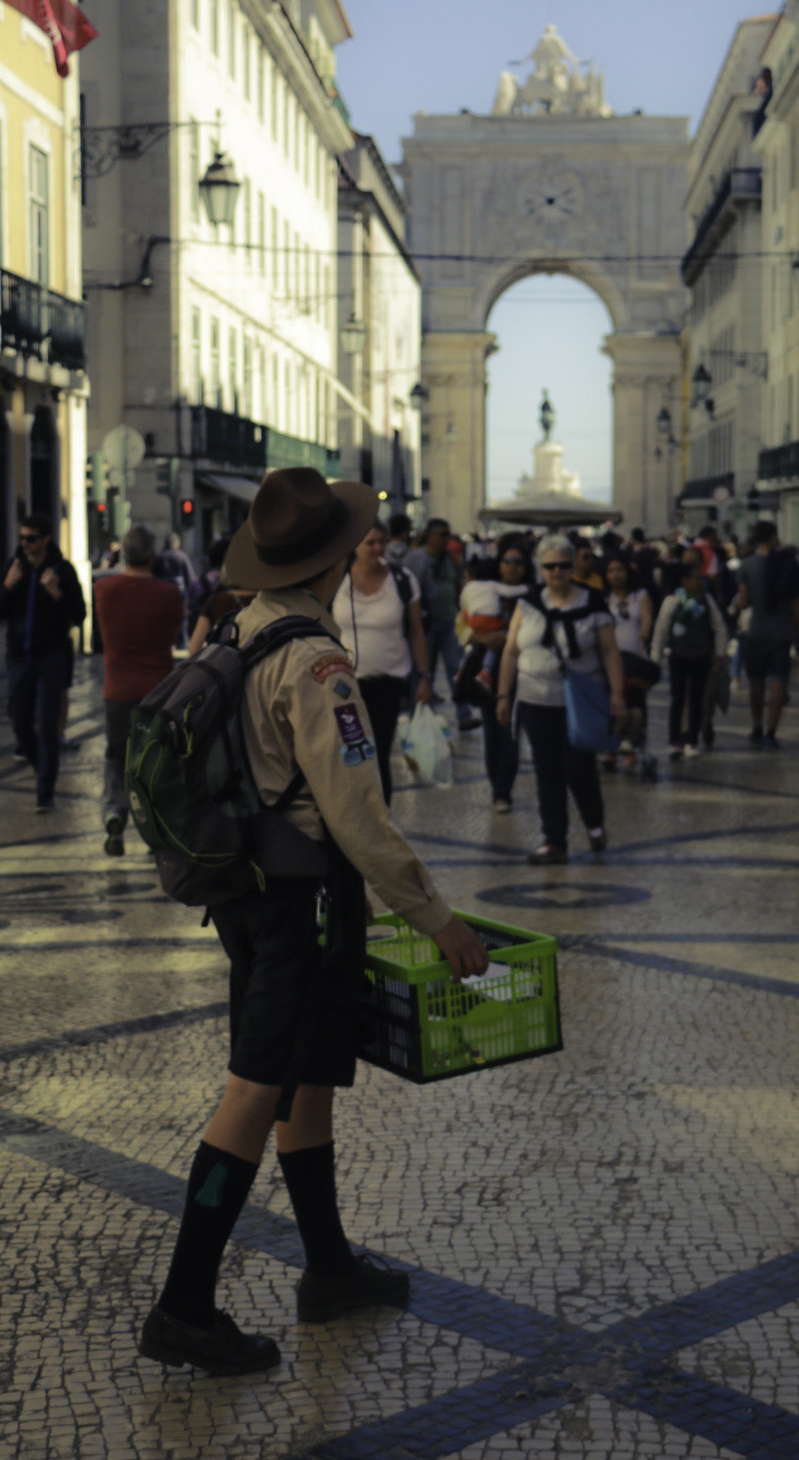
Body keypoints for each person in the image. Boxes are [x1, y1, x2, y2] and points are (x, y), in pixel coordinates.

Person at [137, 469, 490, 1378]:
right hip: (298, 904)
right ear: (336, 556)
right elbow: (357, 813)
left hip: (251, 892)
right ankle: (184, 1304)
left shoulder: (238, 625)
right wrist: (436, 916)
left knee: (304, 1080)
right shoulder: (319, 661)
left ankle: (328, 1267)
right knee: (256, 1089)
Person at [496, 536, 626, 864]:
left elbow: (610, 650)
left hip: (577, 700)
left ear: (573, 566)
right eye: (550, 566)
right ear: (541, 569)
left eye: (563, 565)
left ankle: (594, 823)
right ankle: (554, 840)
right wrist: (502, 694)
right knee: (546, 770)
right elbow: (511, 651)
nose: (557, 572)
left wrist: (617, 694)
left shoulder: (593, 602)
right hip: (533, 699)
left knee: (578, 767)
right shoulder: (528, 603)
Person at [96, 525, 188, 856]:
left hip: (117, 689)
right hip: (159, 690)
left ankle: (114, 812)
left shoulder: (104, 589)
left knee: (116, 756)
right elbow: (177, 630)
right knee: (157, 761)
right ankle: (155, 828)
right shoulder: (167, 593)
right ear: (152, 554)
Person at [0, 512, 87, 812]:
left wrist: (56, 592)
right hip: (19, 656)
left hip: (51, 656)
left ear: (45, 539)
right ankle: (42, 767)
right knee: (19, 722)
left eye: (31, 538)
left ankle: (46, 793)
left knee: (47, 726)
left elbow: (80, 615)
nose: (25, 544)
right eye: (22, 538)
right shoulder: (14, 567)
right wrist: (8, 585)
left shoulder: (63, 570)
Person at [330, 521, 432, 806]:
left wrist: (424, 676)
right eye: (370, 543)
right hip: (345, 688)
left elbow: (416, 632)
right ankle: (351, 821)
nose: (378, 548)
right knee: (350, 754)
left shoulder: (402, 579)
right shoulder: (337, 580)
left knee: (378, 754)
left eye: (382, 542)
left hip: (388, 684)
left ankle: (381, 822)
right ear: (354, 546)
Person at [461, 542, 530, 812]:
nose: (512, 567)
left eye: (519, 562)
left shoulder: (531, 596)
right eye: (508, 561)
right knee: (492, 732)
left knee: (510, 731)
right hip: (486, 672)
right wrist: (484, 637)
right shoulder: (484, 593)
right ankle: (496, 788)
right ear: (499, 564)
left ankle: (504, 791)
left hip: (521, 672)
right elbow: (461, 627)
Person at [732, 520, 799, 748]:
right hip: (782, 632)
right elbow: (798, 603)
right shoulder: (788, 563)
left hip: (756, 631)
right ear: (773, 537)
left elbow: (744, 602)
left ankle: (756, 727)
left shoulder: (747, 565)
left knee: (756, 682)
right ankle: (771, 733)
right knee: (778, 682)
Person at [650, 553, 728, 757]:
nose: (698, 581)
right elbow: (661, 630)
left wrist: (720, 653)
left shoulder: (706, 600)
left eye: (699, 578)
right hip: (678, 656)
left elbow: (719, 627)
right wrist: (655, 659)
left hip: (701, 656)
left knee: (696, 700)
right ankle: (674, 740)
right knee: (677, 698)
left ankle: (692, 740)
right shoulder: (672, 601)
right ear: (683, 581)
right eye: (694, 578)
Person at [603, 554, 656, 769]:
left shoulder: (640, 595)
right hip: (611, 658)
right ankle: (610, 746)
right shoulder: (604, 599)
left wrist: (644, 633)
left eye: (619, 570)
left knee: (635, 702)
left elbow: (646, 619)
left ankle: (632, 743)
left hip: (635, 658)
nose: (616, 575)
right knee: (612, 702)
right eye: (611, 571)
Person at [418, 519, 469, 722]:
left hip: (449, 621)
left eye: (448, 534)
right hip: (426, 624)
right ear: (430, 535)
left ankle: (463, 713)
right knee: (425, 670)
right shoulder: (419, 557)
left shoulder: (452, 558)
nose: (446, 539)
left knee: (455, 667)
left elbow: (457, 584)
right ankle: (425, 715)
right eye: (442, 534)